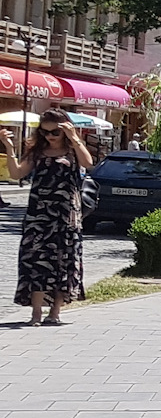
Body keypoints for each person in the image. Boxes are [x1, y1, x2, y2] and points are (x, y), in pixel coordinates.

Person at [1, 109, 93, 325]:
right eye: (45, 132)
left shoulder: (72, 151)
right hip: (38, 215)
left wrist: (74, 137)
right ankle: (35, 314)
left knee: (63, 261)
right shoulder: (37, 152)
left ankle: (55, 312)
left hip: (65, 215)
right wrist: (9, 148)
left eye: (55, 132)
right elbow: (16, 174)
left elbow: (88, 163)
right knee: (34, 261)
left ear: (65, 130)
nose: (49, 136)